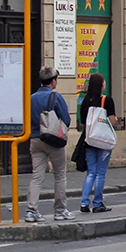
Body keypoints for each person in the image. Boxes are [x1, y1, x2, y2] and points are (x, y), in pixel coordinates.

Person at [27, 66, 73, 222]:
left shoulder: (31, 98)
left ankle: (31, 210)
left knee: (37, 176)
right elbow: (66, 119)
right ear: (53, 81)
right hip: (53, 140)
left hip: (35, 139)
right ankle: (60, 210)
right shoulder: (56, 97)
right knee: (59, 175)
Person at [78, 73, 117, 214]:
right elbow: (112, 121)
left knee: (91, 173)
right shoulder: (106, 100)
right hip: (103, 141)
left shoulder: (85, 101)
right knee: (100, 173)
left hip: (89, 140)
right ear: (101, 85)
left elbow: (82, 124)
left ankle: (84, 202)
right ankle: (97, 203)